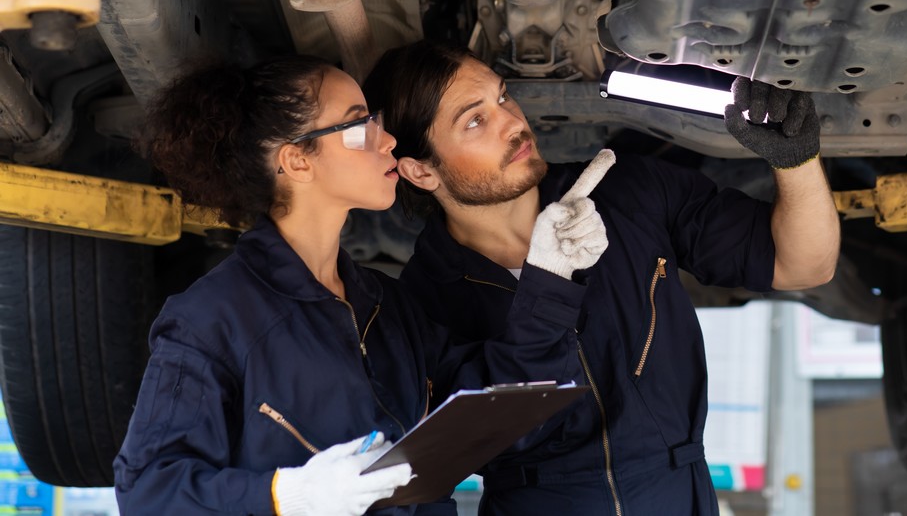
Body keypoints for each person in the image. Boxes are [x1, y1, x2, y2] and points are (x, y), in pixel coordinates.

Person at [113, 55, 612, 516]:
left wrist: (547, 278)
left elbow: (500, 407)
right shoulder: (213, 317)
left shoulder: (387, 305)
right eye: (360, 124)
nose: (388, 138)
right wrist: (286, 495)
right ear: (298, 162)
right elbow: (149, 490)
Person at [362, 40, 840, 515]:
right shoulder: (420, 305)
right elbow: (485, 438)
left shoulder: (628, 193)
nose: (512, 122)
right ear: (421, 172)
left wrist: (794, 161)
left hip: (677, 493)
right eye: (474, 120)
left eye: (503, 95)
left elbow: (802, 265)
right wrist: (547, 284)